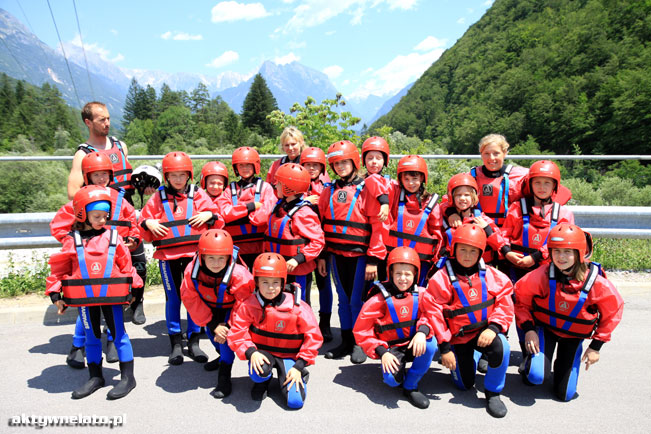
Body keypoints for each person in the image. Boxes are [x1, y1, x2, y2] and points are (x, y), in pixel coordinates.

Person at [45, 186, 141, 399]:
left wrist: (134, 289)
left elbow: (127, 267)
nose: (102, 220)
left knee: (119, 335)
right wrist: (55, 295)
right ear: (81, 214)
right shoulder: (72, 239)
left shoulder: (113, 237)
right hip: (85, 300)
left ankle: (128, 377)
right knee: (91, 336)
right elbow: (60, 270)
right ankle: (96, 376)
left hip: (112, 297)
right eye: (97, 216)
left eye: (105, 216)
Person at [514, 223, 623, 401]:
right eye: (556, 251)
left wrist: (596, 347)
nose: (561, 257)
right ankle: (532, 362)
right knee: (535, 377)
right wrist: (529, 330)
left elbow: (612, 314)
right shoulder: (542, 275)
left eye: (567, 252)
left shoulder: (597, 283)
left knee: (565, 394)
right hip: (546, 330)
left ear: (579, 253)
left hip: (573, 337)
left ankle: (564, 364)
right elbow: (521, 300)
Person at [68, 101, 150, 324]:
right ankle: (107, 305)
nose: (107, 123)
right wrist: (99, 196)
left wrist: (142, 186)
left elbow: (128, 178)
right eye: (101, 119)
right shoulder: (83, 153)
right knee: (110, 264)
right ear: (88, 122)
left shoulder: (119, 145)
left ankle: (137, 302)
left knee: (138, 262)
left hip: (125, 213)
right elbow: (72, 192)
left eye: (108, 118)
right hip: (100, 220)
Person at [422, 224, 513, 418]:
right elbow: (435, 315)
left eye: (473, 251)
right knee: (464, 385)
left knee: (502, 347)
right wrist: (445, 349)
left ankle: (493, 392)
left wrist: (494, 328)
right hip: (458, 338)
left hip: (484, 333)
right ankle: (472, 358)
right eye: (462, 249)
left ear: (481, 252)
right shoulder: (441, 278)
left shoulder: (492, 275)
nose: (467, 255)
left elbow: (505, 303)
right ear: (454, 249)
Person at [139, 151, 221, 365]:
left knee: (194, 297)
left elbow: (217, 216)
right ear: (166, 176)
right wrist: (148, 223)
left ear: (189, 175)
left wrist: (209, 215)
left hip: (194, 257)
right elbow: (143, 218)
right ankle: (175, 343)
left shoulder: (199, 194)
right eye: (173, 175)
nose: (177, 179)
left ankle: (194, 342)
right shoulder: (158, 196)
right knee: (173, 298)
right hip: (168, 257)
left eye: (182, 175)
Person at [317, 140, 388, 364]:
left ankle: (359, 341)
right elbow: (320, 224)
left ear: (354, 162)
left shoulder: (367, 189)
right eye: (336, 163)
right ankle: (346, 340)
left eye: (345, 162)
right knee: (343, 299)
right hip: (336, 254)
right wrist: (322, 255)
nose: (340, 166)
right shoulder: (328, 191)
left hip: (360, 255)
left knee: (357, 300)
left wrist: (374, 259)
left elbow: (378, 227)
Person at [227, 253, 323, 409]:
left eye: (275, 282)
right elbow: (237, 333)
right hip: (263, 354)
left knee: (295, 402)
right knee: (259, 371)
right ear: (256, 282)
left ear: (283, 282)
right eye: (264, 282)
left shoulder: (298, 307)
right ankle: (262, 382)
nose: (270, 287)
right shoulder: (248, 305)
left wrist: (299, 366)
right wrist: (252, 352)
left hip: (289, 357)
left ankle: (298, 374)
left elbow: (314, 338)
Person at [353, 247, 438, 409]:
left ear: (415, 275)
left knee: (430, 344)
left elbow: (433, 315)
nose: (403, 279)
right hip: (392, 349)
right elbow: (362, 331)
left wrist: (422, 332)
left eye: (408, 274)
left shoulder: (422, 294)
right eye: (398, 273)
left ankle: (411, 384)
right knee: (391, 381)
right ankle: (398, 373)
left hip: (414, 343)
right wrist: (382, 353)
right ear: (390, 274)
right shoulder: (378, 299)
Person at [180, 230, 254, 398]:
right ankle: (221, 356)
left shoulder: (239, 274)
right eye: (211, 258)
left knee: (226, 339)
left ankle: (224, 374)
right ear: (202, 257)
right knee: (213, 335)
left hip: (232, 309)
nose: (216, 263)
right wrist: (212, 323)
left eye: (221, 258)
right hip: (209, 309)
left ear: (229, 257)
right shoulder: (192, 271)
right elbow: (189, 298)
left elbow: (244, 303)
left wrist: (227, 325)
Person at [502, 160, 574, 281]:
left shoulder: (563, 213)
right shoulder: (517, 208)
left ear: (554, 186)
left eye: (547, 183)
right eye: (537, 183)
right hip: (516, 266)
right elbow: (504, 234)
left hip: (546, 268)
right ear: (530, 184)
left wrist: (536, 257)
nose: (542, 187)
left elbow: (564, 242)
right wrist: (507, 252)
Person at [264, 163, 325, 305]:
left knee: (299, 305)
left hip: (297, 271)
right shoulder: (278, 207)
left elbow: (318, 242)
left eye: (278, 183)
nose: (275, 186)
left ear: (288, 187)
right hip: (278, 268)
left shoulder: (303, 213)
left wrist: (297, 259)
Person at [448, 134, 528, 229]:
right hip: (477, 228)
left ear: (505, 153)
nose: (491, 158)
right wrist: (451, 213)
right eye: (486, 153)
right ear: (481, 154)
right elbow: (448, 198)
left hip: (508, 230)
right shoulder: (471, 176)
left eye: (496, 153)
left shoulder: (520, 175)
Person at [386, 155, 443, 287]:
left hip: (420, 262)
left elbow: (437, 233)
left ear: (423, 178)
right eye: (406, 179)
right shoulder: (394, 198)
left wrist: (434, 261)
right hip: (394, 259)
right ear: (400, 179)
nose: (411, 183)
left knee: (418, 295)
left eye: (415, 179)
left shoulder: (431, 203)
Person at [217, 147, 276, 270]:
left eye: (248, 165)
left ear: (255, 166)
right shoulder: (229, 189)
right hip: (236, 248)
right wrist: (251, 207)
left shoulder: (266, 188)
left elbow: (264, 216)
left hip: (260, 246)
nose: (245, 168)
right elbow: (224, 213)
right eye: (241, 165)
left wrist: (237, 213)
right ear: (236, 168)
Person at [300, 146, 333, 341]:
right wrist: (305, 199)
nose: (311, 168)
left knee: (323, 282)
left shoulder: (328, 187)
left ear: (322, 167)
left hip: (322, 244)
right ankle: (306, 322)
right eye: (308, 165)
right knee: (304, 285)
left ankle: (325, 323)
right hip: (301, 244)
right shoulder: (295, 182)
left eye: (315, 165)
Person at [440, 173, 507, 265]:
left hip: (479, 267)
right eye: (458, 195)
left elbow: (500, 242)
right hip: (453, 266)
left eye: (467, 195)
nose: (462, 198)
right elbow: (442, 204)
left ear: (473, 197)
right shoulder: (445, 216)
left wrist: (487, 229)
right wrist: (450, 212)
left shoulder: (481, 219)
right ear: (452, 197)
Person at [361, 136, 392, 281]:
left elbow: (380, 228)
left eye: (378, 158)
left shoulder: (390, 183)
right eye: (370, 158)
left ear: (384, 161)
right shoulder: (360, 183)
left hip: (379, 246)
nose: (374, 161)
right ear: (364, 161)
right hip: (364, 244)